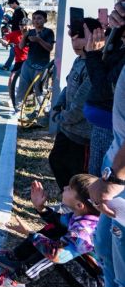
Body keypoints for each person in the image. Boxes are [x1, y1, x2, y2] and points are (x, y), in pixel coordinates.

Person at [0, 175, 100, 287]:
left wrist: (30, 233)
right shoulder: (86, 217)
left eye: (69, 189)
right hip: (93, 274)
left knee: (56, 251)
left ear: (80, 205)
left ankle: (17, 280)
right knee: (55, 229)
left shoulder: (84, 230)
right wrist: (41, 207)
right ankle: (16, 258)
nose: (64, 187)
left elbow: (57, 255)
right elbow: (58, 222)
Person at [48, 19, 97, 191]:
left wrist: (62, 118)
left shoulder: (93, 66)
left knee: (78, 176)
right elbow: (68, 86)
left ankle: (77, 208)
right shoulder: (78, 61)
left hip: (82, 135)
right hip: (66, 130)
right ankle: (67, 199)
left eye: (80, 38)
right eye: (72, 39)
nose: (74, 43)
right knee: (56, 160)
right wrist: (58, 106)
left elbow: (80, 104)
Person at [84, 0, 125, 178]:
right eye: (120, 5)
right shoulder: (116, 37)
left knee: (99, 187)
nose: (118, 10)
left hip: (112, 129)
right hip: (103, 124)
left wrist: (92, 55)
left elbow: (104, 88)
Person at [14, 11, 55, 113]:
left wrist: (39, 40)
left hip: (42, 66)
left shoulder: (48, 32)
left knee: (39, 90)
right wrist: (24, 35)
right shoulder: (30, 32)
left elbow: (50, 48)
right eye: (34, 18)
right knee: (22, 88)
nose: (36, 20)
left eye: (39, 18)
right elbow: (21, 46)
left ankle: (46, 111)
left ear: (45, 20)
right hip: (28, 64)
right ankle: (18, 109)